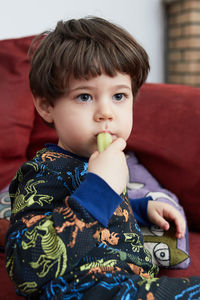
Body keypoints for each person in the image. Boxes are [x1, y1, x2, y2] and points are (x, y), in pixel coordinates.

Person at [5, 17, 200, 300]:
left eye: (119, 96)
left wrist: (141, 208)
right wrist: (102, 187)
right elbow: (27, 265)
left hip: (130, 282)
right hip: (86, 289)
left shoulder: (105, 164)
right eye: (85, 97)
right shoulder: (43, 173)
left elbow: (104, 214)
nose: (106, 112)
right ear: (46, 106)